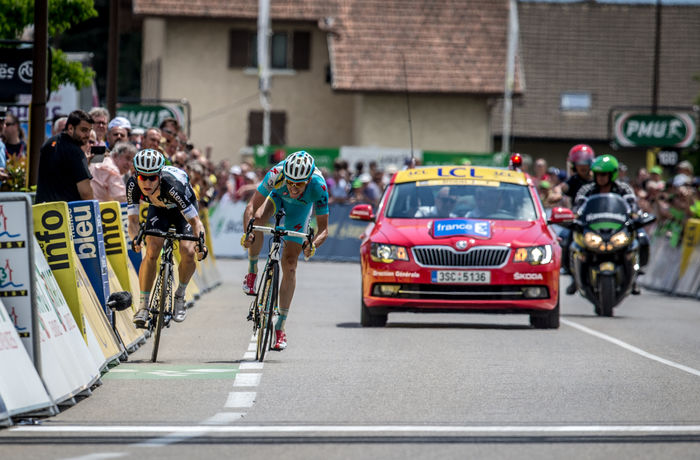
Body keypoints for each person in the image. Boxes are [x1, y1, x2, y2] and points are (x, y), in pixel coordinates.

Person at [241, 151, 329, 351]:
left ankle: (280, 327)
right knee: (258, 220)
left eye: (299, 184)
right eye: (290, 182)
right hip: (277, 198)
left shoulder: (319, 186)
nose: (293, 187)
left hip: (299, 213)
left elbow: (324, 229)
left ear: (308, 180)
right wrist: (248, 232)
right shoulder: (276, 174)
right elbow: (250, 207)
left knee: (290, 265)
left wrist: (312, 244)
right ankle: (252, 271)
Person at [126, 149, 208, 328]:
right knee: (152, 250)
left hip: (182, 211)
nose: (147, 183)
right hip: (159, 209)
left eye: (152, 178)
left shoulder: (172, 186)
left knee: (187, 251)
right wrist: (135, 239)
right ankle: (143, 306)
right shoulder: (132, 184)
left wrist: (201, 244)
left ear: (160, 176)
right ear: (136, 175)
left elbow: (195, 222)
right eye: (142, 178)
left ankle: (180, 294)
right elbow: (132, 221)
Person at [573, 154, 648, 295]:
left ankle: (636, 274)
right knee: (570, 242)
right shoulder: (587, 190)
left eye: (604, 174)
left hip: (617, 230)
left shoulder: (624, 189)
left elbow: (633, 207)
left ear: (612, 175)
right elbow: (578, 208)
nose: (600, 178)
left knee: (642, 238)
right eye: (598, 174)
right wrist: (575, 216)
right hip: (595, 230)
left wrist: (636, 215)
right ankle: (574, 277)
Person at [36, 110, 94, 203]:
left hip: (44, 211)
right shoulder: (76, 152)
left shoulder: (48, 143)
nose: (87, 135)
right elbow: (86, 192)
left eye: (89, 130)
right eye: (83, 130)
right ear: (70, 128)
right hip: (67, 213)